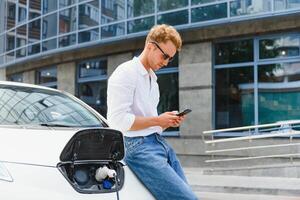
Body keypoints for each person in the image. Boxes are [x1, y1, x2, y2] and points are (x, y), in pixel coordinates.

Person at [107, 24, 198, 200]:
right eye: (164, 56)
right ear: (150, 45)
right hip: (137, 147)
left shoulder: (152, 80)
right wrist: (158, 120)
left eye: (170, 59)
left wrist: (167, 122)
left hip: (157, 142)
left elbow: (148, 124)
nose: (165, 62)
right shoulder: (126, 72)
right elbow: (117, 121)